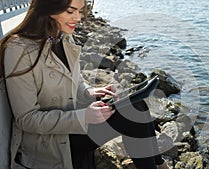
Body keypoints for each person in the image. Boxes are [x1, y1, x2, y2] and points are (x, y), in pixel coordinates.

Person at [0, 0, 170, 168]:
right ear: (48, 7)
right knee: (133, 112)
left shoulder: (62, 36)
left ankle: (159, 164)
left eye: (80, 11)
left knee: (137, 104)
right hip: (51, 141)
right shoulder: (19, 49)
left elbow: (76, 80)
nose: (78, 18)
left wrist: (89, 92)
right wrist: (83, 116)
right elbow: (26, 119)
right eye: (70, 11)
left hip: (72, 121)